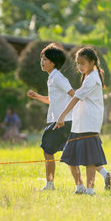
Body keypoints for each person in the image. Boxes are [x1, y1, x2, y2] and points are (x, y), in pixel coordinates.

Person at [54, 46, 111, 195]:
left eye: (82, 63)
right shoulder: (88, 77)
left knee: (89, 160)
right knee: (70, 157)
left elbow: (76, 97)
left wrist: (62, 116)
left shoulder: (93, 78)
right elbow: (77, 96)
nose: (79, 66)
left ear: (92, 62)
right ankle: (95, 181)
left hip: (88, 124)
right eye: (77, 63)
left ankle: (90, 191)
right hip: (79, 124)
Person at [27, 43, 74, 191]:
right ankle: (105, 175)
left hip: (60, 122)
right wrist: (36, 96)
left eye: (45, 59)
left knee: (48, 150)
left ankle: (50, 184)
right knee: (72, 153)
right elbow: (51, 100)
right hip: (61, 120)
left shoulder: (58, 78)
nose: (42, 61)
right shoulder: (52, 78)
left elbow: (74, 95)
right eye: (42, 58)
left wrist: (64, 115)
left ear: (53, 62)